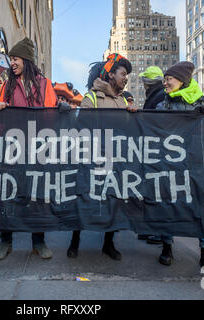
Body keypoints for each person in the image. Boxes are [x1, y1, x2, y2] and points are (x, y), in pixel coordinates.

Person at [156, 61, 204, 270]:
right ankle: (167, 247)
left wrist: (197, 138)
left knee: (203, 207)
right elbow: (153, 130)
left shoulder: (203, 103)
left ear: (182, 80)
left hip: (198, 165)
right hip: (173, 165)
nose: (165, 83)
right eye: (164, 79)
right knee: (169, 204)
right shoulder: (163, 104)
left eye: (169, 79)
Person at [0, 37, 57, 260]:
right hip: (12, 148)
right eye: (10, 58)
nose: (12, 62)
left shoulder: (45, 84)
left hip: (37, 148)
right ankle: (5, 240)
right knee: (8, 195)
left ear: (27, 60)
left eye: (15, 58)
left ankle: (38, 242)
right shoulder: (6, 84)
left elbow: (50, 116)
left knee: (37, 196)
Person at [68, 53, 132, 260]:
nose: (126, 78)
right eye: (123, 73)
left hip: (115, 161)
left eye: (127, 75)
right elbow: (80, 128)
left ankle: (108, 243)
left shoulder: (124, 101)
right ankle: (74, 241)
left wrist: (134, 116)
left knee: (113, 201)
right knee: (85, 198)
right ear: (111, 75)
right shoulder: (92, 98)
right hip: (92, 161)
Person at [137, 66, 167, 244]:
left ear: (147, 83)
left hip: (157, 153)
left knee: (158, 194)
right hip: (155, 153)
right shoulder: (158, 96)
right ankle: (152, 229)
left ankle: (159, 232)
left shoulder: (158, 98)